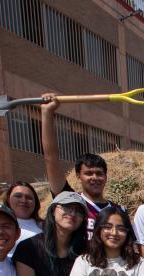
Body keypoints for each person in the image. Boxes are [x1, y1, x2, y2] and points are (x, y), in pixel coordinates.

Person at [40, 93, 122, 235]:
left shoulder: (118, 210)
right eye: (88, 173)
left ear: (106, 177)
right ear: (78, 176)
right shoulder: (70, 200)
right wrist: (47, 113)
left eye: (99, 173)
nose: (94, 177)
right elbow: (50, 158)